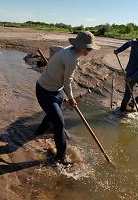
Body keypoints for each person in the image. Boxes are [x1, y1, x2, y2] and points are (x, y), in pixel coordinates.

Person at [36, 31, 100, 163]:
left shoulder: (67, 49)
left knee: (53, 113)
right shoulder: (72, 60)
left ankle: (39, 131)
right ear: (81, 47)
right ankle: (61, 157)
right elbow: (67, 83)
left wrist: (52, 65)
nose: (89, 51)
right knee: (59, 123)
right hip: (45, 91)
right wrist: (71, 99)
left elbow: (53, 48)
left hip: (56, 90)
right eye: (88, 48)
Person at [114, 31, 138, 112]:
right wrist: (118, 50)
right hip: (129, 72)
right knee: (127, 94)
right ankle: (121, 111)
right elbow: (126, 44)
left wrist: (132, 78)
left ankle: (132, 103)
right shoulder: (134, 43)